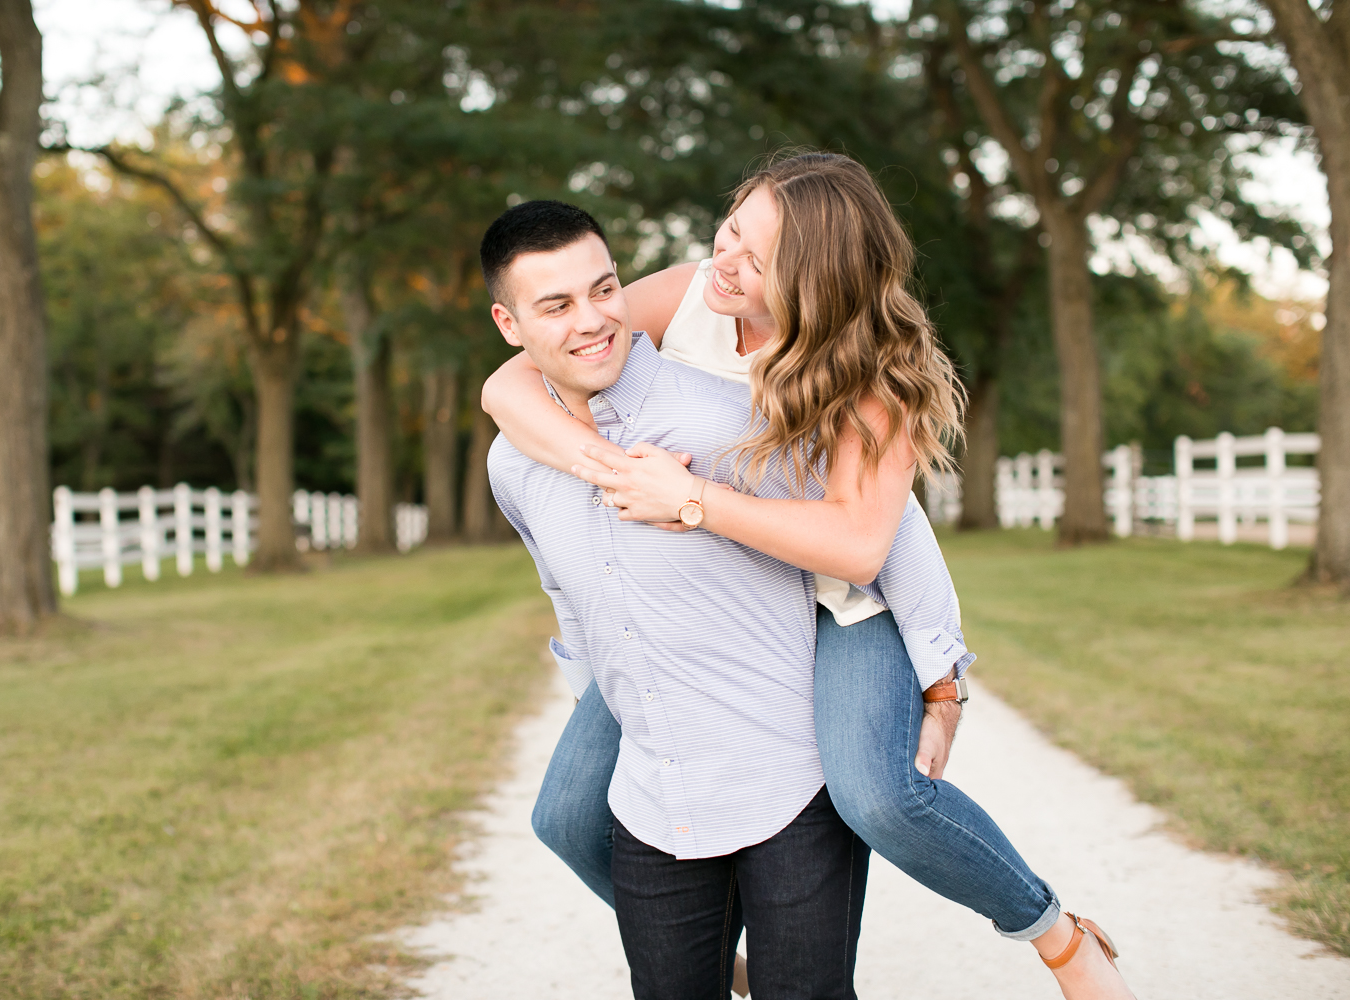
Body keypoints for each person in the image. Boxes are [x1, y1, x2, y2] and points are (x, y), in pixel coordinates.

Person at [483, 153, 1135, 1000]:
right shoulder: (688, 294)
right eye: (730, 230)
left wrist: (942, 687)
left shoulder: (873, 375)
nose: (726, 262)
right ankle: (709, 953)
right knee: (570, 817)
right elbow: (513, 379)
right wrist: (612, 472)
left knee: (881, 797)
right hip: (709, 590)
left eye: (756, 261)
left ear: (813, 280)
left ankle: (1058, 935)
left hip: (839, 602)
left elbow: (875, 543)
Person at [483, 199, 869, 1000]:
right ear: (508, 325)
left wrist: (941, 676)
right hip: (653, 803)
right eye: (555, 306)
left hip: (790, 789)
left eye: (605, 288)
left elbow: (876, 540)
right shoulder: (514, 467)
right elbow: (569, 598)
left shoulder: (734, 417)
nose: (593, 321)